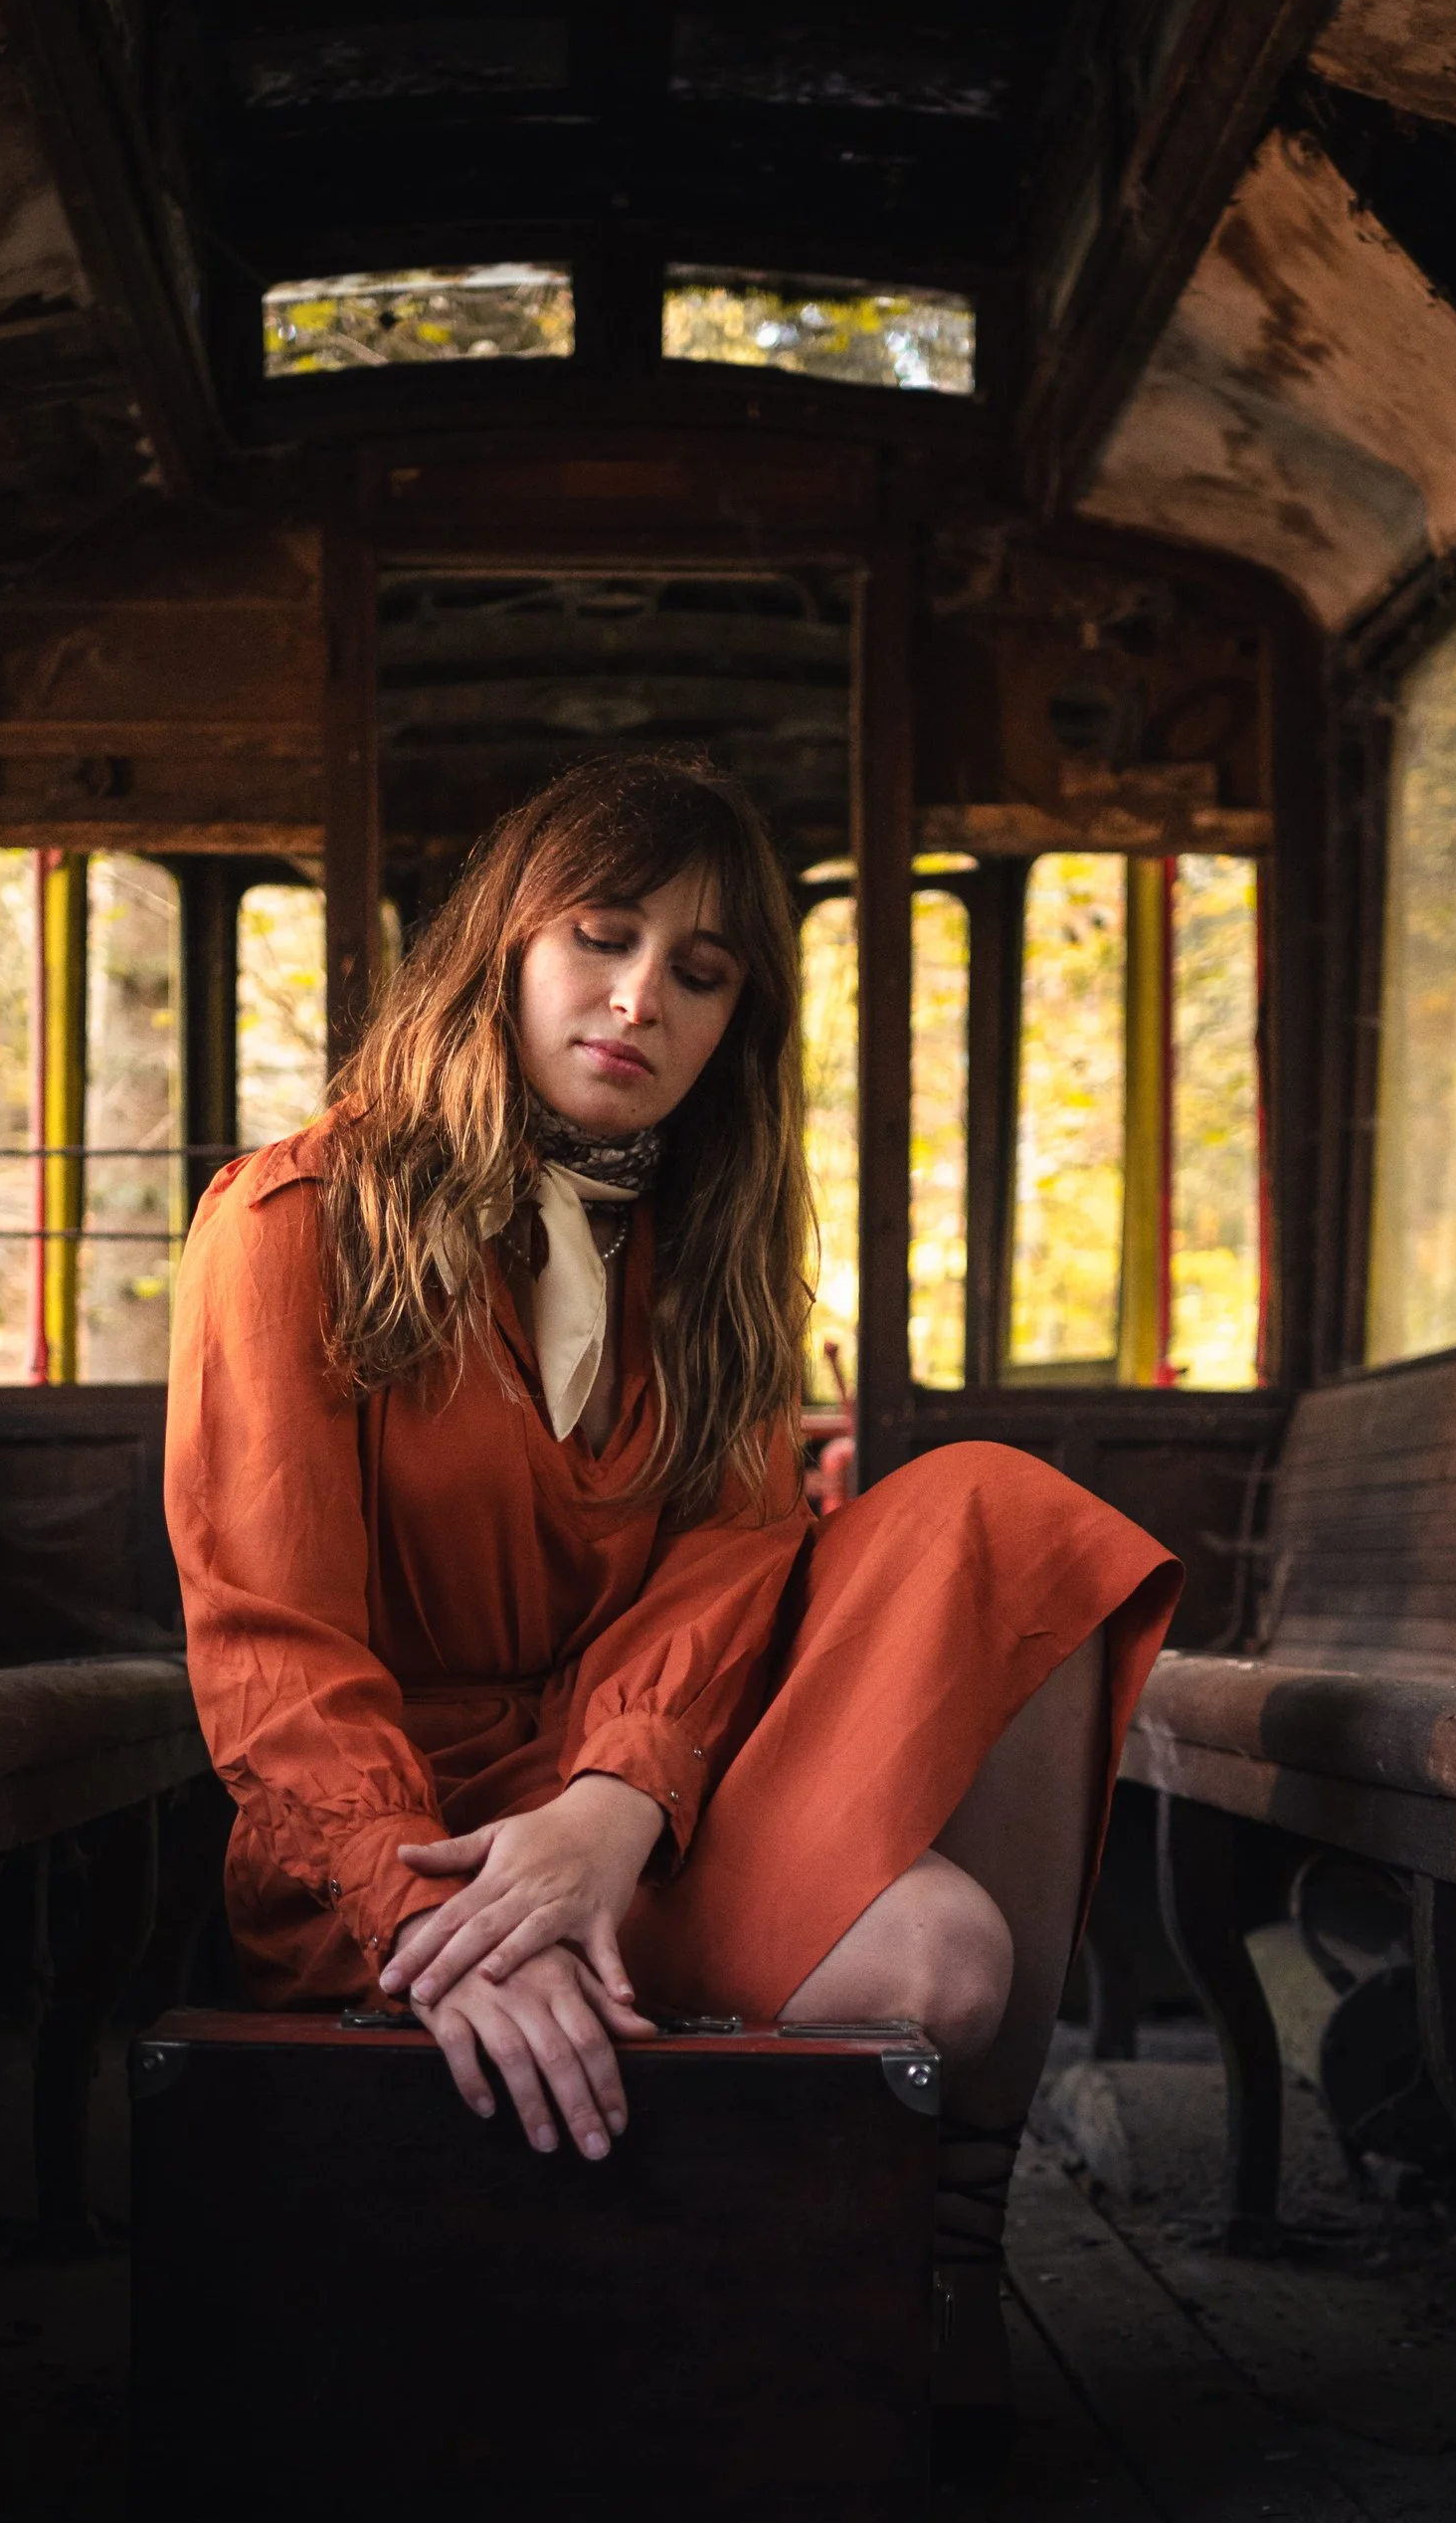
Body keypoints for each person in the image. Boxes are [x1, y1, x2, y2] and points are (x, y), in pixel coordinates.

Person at [165, 750, 1181, 2416]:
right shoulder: (290, 1219)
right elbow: (269, 1636)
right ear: (502, 947)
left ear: (733, 1031)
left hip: (632, 1805)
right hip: (402, 1840)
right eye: (604, 937)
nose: (642, 999)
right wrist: (438, 1916)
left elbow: (728, 1576)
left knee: (998, 1522)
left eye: (700, 975)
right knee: (935, 1962)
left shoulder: (713, 1270)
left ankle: (949, 2264)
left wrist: (611, 1806)